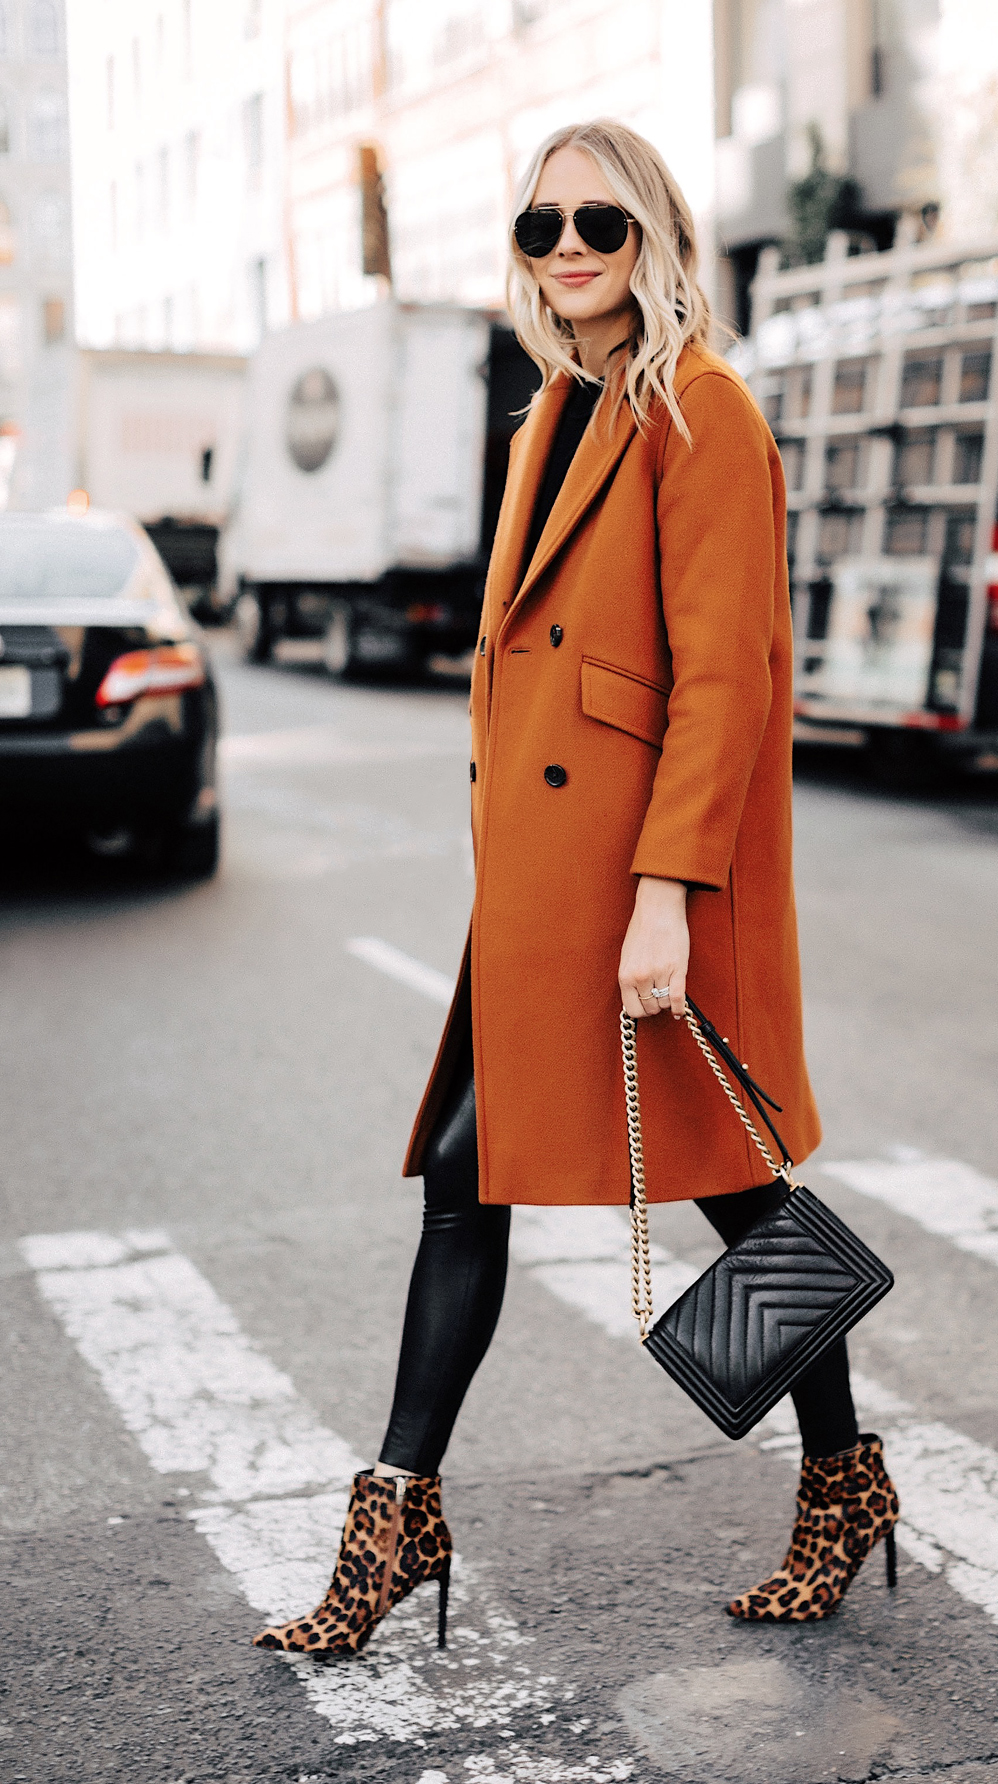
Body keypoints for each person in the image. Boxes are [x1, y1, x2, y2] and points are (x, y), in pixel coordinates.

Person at [253, 119, 899, 1659]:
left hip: (637, 883)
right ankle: (408, 1508)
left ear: (656, 235)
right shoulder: (554, 409)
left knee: (733, 1186)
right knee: (482, 1176)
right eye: (540, 226)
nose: (566, 251)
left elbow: (725, 682)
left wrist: (667, 896)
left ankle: (837, 1478)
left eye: (597, 223)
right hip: (545, 886)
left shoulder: (706, 413)